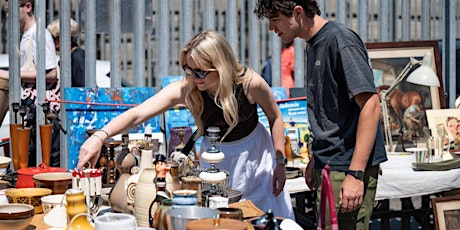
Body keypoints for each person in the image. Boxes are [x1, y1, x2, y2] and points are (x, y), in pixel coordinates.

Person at [77, 30, 295, 220]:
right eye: (188, 69)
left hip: (255, 157)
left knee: (259, 213)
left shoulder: (249, 83)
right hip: (215, 157)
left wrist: (280, 163)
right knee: (217, 215)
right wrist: (99, 136)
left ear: (220, 66)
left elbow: (275, 117)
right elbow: (138, 113)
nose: (193, 76)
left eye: (200, 71)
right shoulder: (188, 88)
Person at [255, 1, 387, 229]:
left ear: (297, 12)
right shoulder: (313, 44)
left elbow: (371, 105)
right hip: (328, 164)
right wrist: (317, 156)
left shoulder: (340, 40)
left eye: (275, 19)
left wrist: (355, 173)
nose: (271, 28)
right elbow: (330, 110)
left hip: (346, 167)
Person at [0, 0, 59, 166]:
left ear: (28, 7)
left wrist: (9, 74)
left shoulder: (39, 34)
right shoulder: (28, 36)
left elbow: (51, 73)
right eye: (5, 11)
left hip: (39, 114)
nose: (7, 15)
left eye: (10, 9)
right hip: (31, 112)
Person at [47, 18, 85, 87]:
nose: (50, 40)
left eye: (52, 37)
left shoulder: (77, 57)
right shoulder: (68, 57)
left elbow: (83, 87)